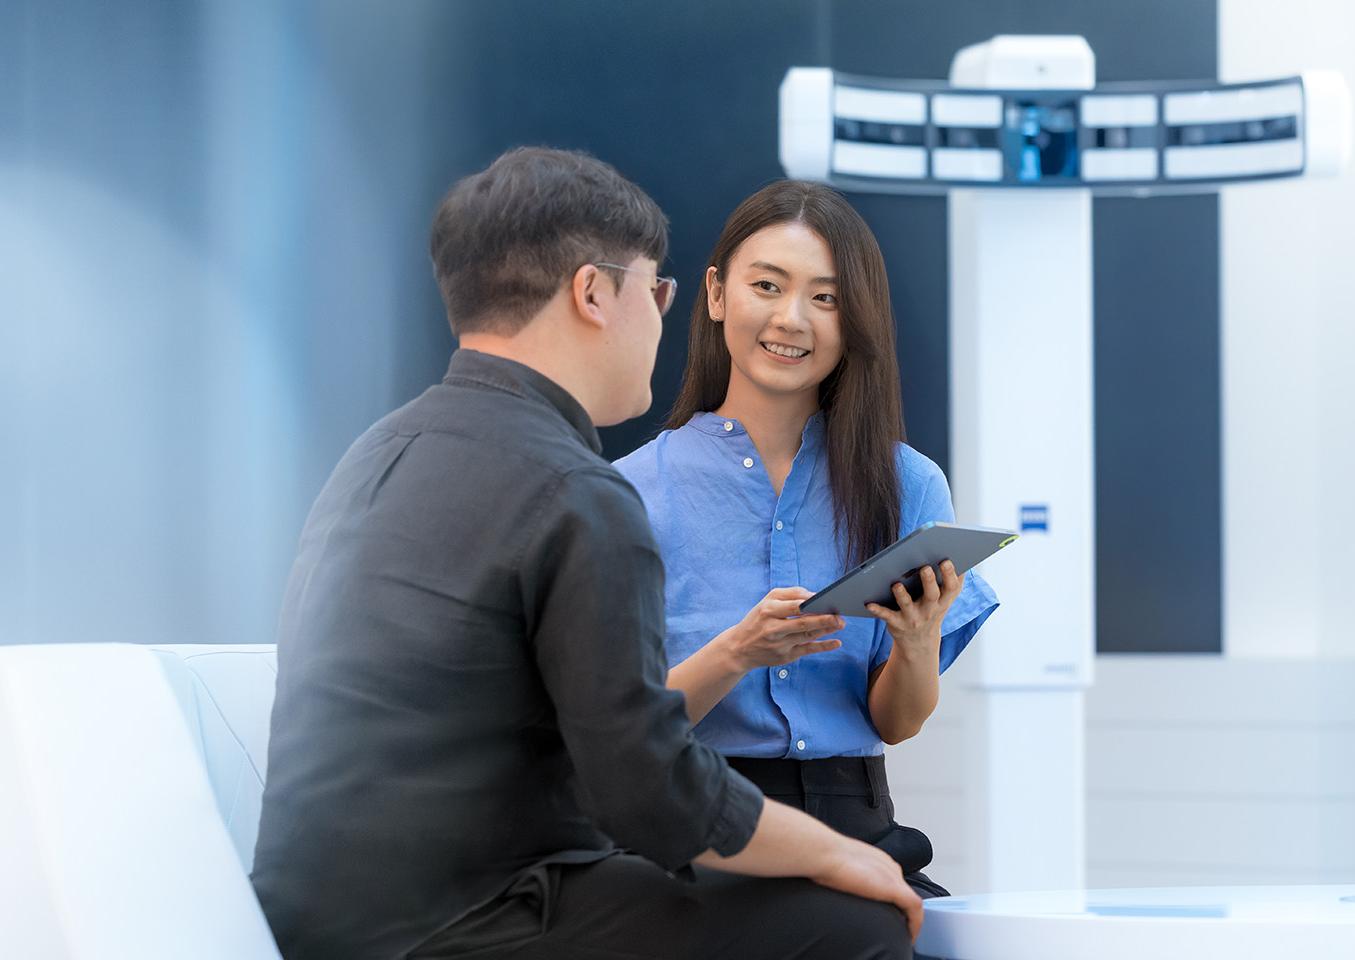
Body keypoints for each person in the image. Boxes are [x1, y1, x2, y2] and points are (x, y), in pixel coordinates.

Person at [250, 148, 920, 960]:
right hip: (474, 917)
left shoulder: (380, 449)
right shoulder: (576, 490)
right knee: (857, 924)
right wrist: (842, 853)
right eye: (655, 287)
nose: (660, 315)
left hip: (318, 919)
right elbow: (649, 790)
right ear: (595, 293)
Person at [615, 180, 999, 898]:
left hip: (858, 821)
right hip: (698, 830)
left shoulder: (907, 483)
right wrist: (739, 651)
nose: (792, 319)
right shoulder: (629, 491)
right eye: (768, 285)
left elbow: (897, 723)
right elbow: (626, 732)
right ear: (718, 292)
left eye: (825, 298)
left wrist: (916, 641)